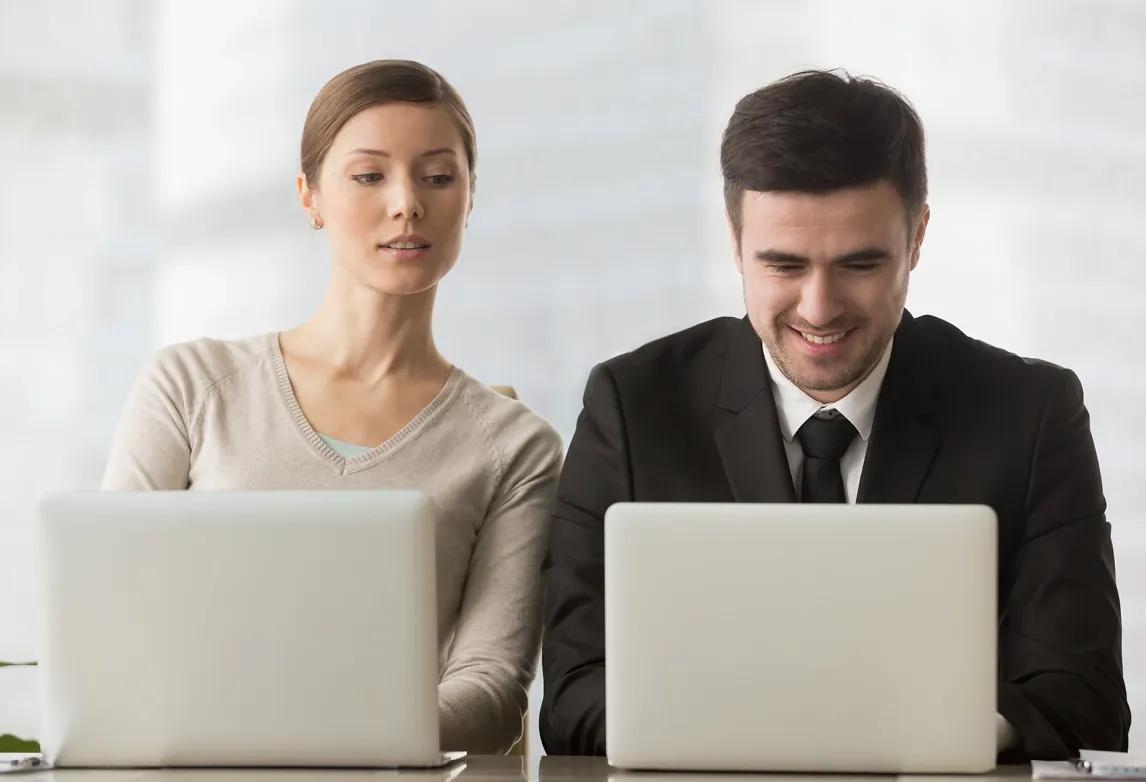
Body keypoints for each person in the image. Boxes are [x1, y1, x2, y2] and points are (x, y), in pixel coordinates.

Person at [539, 70, 1129, 760]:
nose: (819, 309)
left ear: (917, 239)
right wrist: (796, 729)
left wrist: (928, 733)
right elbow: (574, 698)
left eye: (859, 265)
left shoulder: (1030, 414)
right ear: (735, 242)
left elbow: (1084, 706)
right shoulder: (633, 407)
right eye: (783, 265)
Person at [102, 59, 563, 754]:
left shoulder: (514, 446)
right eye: (369, 175)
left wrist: (321, 730)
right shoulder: (190, 387)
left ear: (469, 198)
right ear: (309, 197)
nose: (406, 203)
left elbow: (492, 690)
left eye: (438, 177)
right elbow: (111, 621)